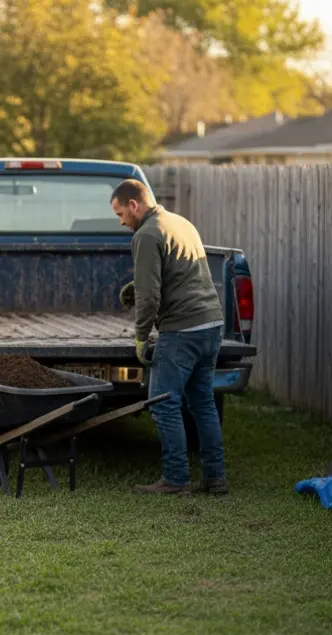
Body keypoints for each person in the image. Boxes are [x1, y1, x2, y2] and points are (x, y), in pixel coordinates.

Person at [110, 179, 227, 496]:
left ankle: (175, 479)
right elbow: (181, 272)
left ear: (134, 204)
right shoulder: (181, 223)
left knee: (163, 404)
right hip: (211, 324)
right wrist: (135, 287)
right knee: (203, 403)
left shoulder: (146, 235)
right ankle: (215, 478)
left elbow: (149, 298)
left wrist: (141, 338)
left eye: (120, 214)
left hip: (182, 330)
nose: (121, 221)